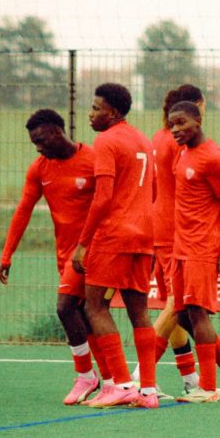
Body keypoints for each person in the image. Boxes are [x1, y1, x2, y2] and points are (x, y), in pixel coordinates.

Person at [0, 108, 111, 406]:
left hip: (94, 251)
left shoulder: (92, 160)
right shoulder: (39, 169)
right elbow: (23, 210)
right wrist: (7, 254)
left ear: (58, 132)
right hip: (66, 256)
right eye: (33, 142)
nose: (38, 147)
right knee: (85, 314)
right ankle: (110, 381)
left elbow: (111, 202)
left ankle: (86, 376)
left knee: (65, 307)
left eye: (41, 140)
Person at [72, 83, 158, 409]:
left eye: (96, 108)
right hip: (144, 236)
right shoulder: (143, 140)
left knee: (95, 307)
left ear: (113, 112)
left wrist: (84, 243)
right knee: (139, 312)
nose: (90, 114)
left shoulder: (106, 141)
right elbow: (153, 191)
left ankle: (121, 384)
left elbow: (103, 197)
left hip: (114, 236)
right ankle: (148, 391)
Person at [167, 100, 220, 403]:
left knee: (198, 313)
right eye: (171, 124)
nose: (175, 129)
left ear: (198, 121)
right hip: (181, 246)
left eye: (181, 123)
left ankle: (207, 387)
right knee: (182, 314)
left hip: (202, 247)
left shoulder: (213, 158)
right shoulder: (183, 153)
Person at [131, 83, 204, 398]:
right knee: (177, 304)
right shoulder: (179, 143)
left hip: (158, 227)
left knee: (171, 305)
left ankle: (190, 379)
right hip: (177, 230)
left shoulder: (158, 137)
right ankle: (139, 376)